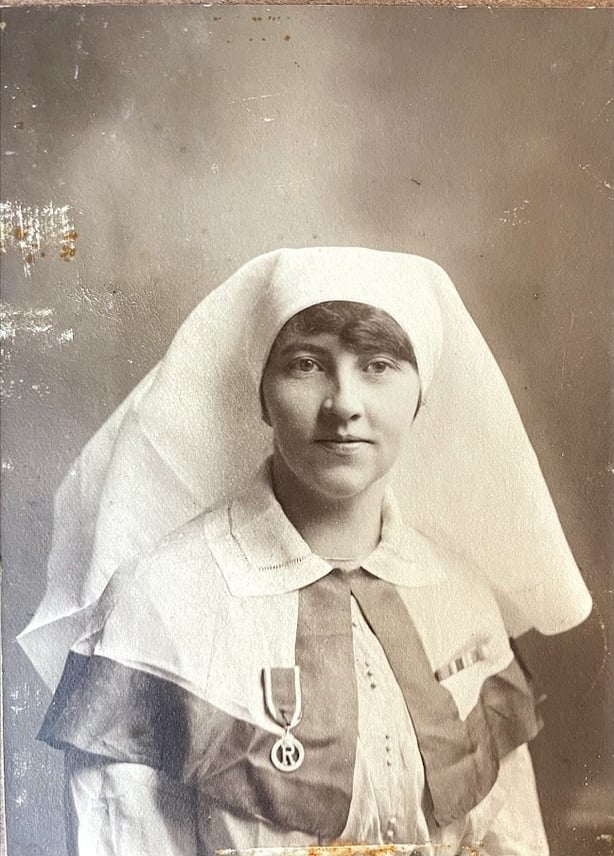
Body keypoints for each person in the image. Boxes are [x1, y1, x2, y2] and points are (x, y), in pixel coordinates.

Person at [18, 247, 592, 856]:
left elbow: (516, 841)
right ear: (262, 394)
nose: (344, 403)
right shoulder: (156, 605)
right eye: (307, 363)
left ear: (421, 395)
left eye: (378, 365)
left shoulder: (463, 599)